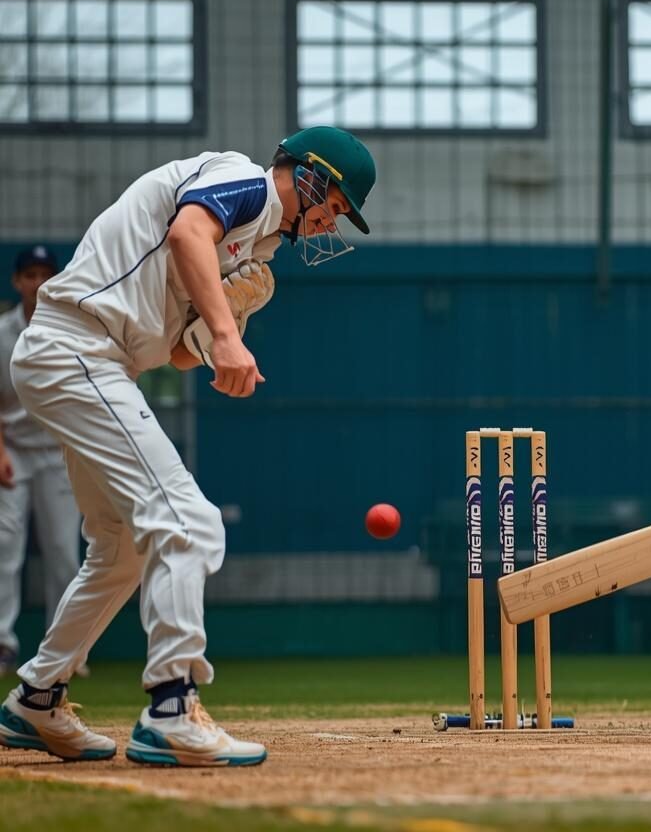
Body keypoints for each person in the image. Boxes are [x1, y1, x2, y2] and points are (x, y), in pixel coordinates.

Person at [0, 127, 376, 766]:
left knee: (119, 551)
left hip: (93, 362)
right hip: (77, 349)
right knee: (190, 523)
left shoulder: (252, 257)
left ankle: (37, 698)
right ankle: (171, 709)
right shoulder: (247, 182)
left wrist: (214, 329)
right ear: (310, 177)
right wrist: (228, 337)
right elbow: (185, 233)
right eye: (335, 206)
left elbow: (174, 354)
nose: (327, 225)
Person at [0, 247, 83, 679]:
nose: (38, 282)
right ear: (17, 282)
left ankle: (63, 651)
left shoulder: (67, 328)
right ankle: (3, 644)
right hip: (12, 453)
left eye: (45, 274)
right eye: (30, 275)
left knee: (63, 554)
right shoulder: (1, 332)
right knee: (4, 549)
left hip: (56, 453)